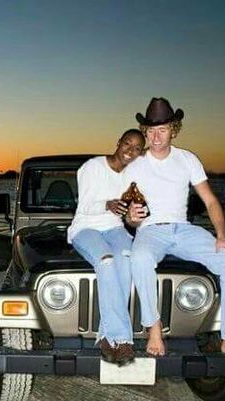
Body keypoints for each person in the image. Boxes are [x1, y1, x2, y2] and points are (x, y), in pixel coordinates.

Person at [125, 98, 225, 374]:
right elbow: (121, 205)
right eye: (150, 130)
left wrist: (222, 236)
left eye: (162, 129)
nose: (156, 136)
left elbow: (210, 201)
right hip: (151, 230)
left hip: (183, 229)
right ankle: (153, 329)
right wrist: (130, 217)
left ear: (173, 129)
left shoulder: (187, 159)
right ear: (144, 131)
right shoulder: (135, 163)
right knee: (139, 257)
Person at [67, 129, 145, 365]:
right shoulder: (93, 167)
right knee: (107, 261)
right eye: (127, 144)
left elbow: (132, 215)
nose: (130, 151)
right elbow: (86, 206)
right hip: (86, 227)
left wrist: (134, 216)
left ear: (141, 153)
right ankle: (122, 340)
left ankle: (106, 337)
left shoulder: (132, 175)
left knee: (127, 257)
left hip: (114, 228)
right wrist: (107, 204)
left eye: (137, 148)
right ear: (118, 142)